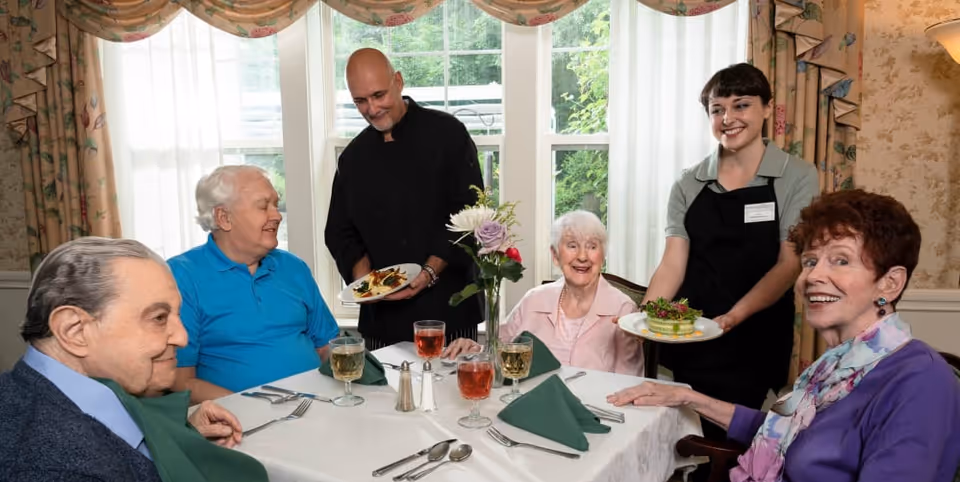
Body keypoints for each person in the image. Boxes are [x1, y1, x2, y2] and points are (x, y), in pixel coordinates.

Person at [597, 190, 960, 482]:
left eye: (840, 260)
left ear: (889, 283)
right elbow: (785, 432)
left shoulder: (919, 385)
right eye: (810, 261)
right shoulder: (839, 364)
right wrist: (688, 398)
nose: (814, 276)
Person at [0, 237, 312, 482]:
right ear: (75, 330)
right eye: (159, 318)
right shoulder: (50, 472)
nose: (182, 337)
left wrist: (174, 431)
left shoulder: (48, 394)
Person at [646, 63, 819, 437]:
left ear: (767, 108)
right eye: (717, 109)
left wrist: (733, 317)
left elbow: (788, 264)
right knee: (687, 440)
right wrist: (646, 317)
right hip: (692, 335)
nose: (729, 118)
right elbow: (673, 262)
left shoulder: (797, 175)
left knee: (740, 440)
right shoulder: (688, 182)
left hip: (755, 337)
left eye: (741, 105)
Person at [325, 47, 484, 350]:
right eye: (360, 100)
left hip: (449, 311)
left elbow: (470, 214)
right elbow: (339, 232)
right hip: (381, 319)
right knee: (382, 396)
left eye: (378, 95)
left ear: (398, 81)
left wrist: (428, 273)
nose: (371, 109)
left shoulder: (449, 134)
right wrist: (369, 283)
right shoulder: (353, 158)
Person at [169, 165, 339, 402]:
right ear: (224, 217)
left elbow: (327, 348)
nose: (277, 215)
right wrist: (251, 408)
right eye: (263, 206)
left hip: (318, 407)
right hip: (240, 424)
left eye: (276, 205)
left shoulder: (293, 267)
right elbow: (180, 381)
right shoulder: (180, 276)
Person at [444, 211, 643, 375]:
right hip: (531, 407)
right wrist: (474, 349)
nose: (582, 256)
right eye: (572, 245)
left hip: (595, 412)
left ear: (603, 255)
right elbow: (499, 350)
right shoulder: (534, 299)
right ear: (555, 255)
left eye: (592, 246)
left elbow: (628, 385)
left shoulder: (623, 309)